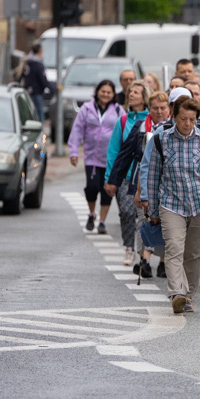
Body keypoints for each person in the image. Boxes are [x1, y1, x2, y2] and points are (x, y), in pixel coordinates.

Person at [147, 96, 200, 314]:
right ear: (173, 117)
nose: (187, 124)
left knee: (195, 254)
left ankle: (189, 295)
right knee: (174, 248)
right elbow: (153, 176)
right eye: (183, 119)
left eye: (192, 119)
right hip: (171, 203)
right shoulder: (160, 139)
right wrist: (153, 209)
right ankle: (177, 293)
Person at [108, 90, 171, 279]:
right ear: (149, 109)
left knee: (166, 221)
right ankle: (143, 259)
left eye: (163, 108)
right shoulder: (140, 126)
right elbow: (125, 154)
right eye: (155, 108)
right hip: (142, 179)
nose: (159, 111)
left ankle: (163, 262)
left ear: (169, 109)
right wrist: (113, 180)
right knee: (143, 219)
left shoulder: (172, 128)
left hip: (167, 182)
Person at [104, 80, 152, 267]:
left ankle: (143, 252)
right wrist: (110, 178)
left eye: (136, 92)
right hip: (126, 174)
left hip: (145, 174)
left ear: (144, 97)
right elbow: (114, 150)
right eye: (130, 92)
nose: (131, 95)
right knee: (126, 211)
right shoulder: (123, 120)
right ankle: (129, 248)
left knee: (142, 215)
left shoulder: (150, 118)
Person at [68, 79, 125, 234]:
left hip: (111, 159)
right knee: (92, 188)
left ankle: (102, 222)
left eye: (109, 92)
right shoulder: (86, 109)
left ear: (113, 94)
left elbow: (124, 132)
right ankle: (92, 213)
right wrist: (73, 152)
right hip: (91, 158)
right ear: (97, 92)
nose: (105, 94)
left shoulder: (119, 111)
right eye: (103, 91)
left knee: (107, 190)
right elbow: (77, 130)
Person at [19, 43, 56, 123]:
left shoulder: (27, 63)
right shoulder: (38, 65)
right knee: (40, 117)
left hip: (27, 94)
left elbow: (21, 77)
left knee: (28, 116)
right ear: (40, 52)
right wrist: (55, 90)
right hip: (36, 94)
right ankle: (40, 133)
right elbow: (44, 82)